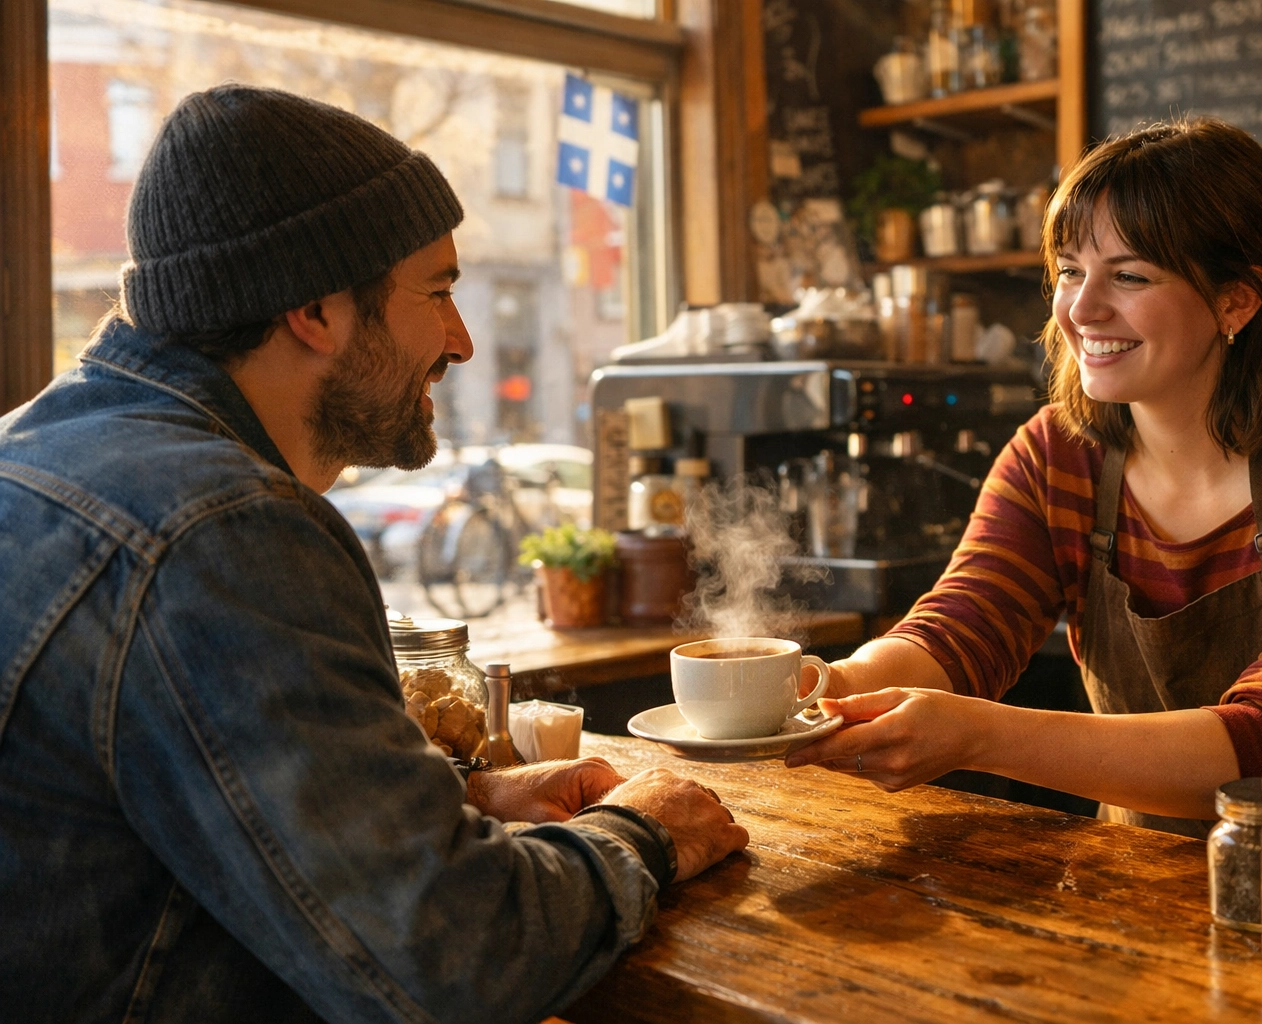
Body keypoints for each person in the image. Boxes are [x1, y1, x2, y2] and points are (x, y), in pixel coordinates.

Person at [0, 85, 747, 1023]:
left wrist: (456, 796)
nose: (462, 342)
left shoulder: (29, 459)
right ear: (315, 308)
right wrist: (644, 832)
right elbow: (449, 960)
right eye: (436, 293)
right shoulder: (221, 529)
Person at [786, 119, 1262, 836]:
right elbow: (958, 631)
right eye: (1070, 270)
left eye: (1129, 275)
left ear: (1237, 300)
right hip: (1140, 885)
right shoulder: (1055, 456)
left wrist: (982, 735)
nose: (1080, 309)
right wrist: (828, 688)